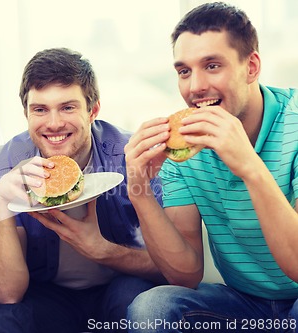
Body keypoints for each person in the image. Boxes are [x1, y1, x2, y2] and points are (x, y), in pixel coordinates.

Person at [124, 2, 298, 332]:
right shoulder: (183, 149)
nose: (194, 87)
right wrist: (140, 191)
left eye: (212, 65)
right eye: (184, 71)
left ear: (251, 67)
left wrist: (249, 165)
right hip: (241, 303)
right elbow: (185, 274)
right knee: (151, 307)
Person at [0, 47, 164, 333]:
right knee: (0, 320)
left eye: (67, 107)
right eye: (40, 110)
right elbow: (7, 293)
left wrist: (104, 251)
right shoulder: (4, 169)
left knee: (135, 300)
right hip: (48, 295)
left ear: (93, 111)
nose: (53, 124)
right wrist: (1, 201)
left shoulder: (132, 159)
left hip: (120, 284)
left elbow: (168, 266)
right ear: (26, 114)